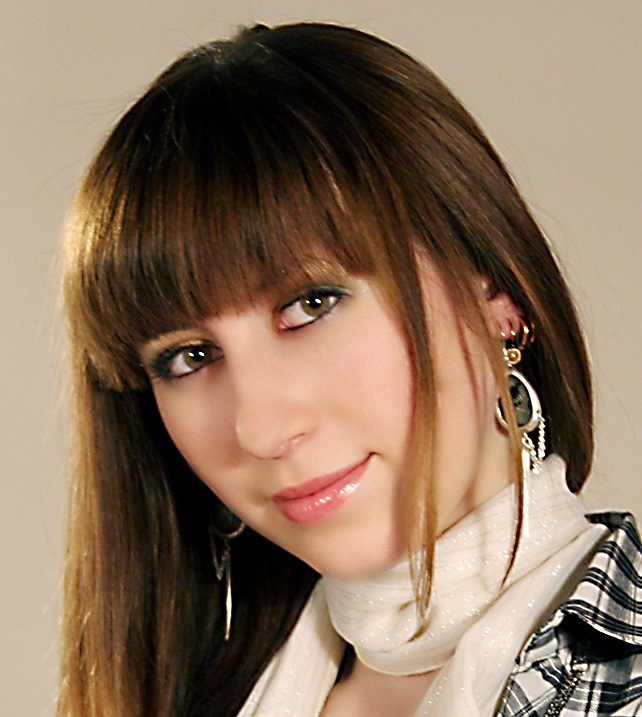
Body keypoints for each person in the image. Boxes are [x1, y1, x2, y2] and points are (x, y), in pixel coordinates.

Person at [58, 22, 642, 717]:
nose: (261, 429)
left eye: (312, 304)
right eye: (190, 357)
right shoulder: (190, 693)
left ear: (493, 290)